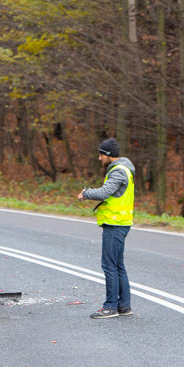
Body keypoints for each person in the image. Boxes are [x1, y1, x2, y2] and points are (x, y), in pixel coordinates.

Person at [77, 137, 135, 319]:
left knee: (110, 266)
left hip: (115, 223)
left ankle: (110, 307)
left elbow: (104, 192)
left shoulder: (118, 171)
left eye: (101, 154)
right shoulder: (124, 169)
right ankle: (124, 306)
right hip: (120, 223)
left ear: (109, 155)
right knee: (118, 266)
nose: (99, 158)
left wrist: (86, 193)